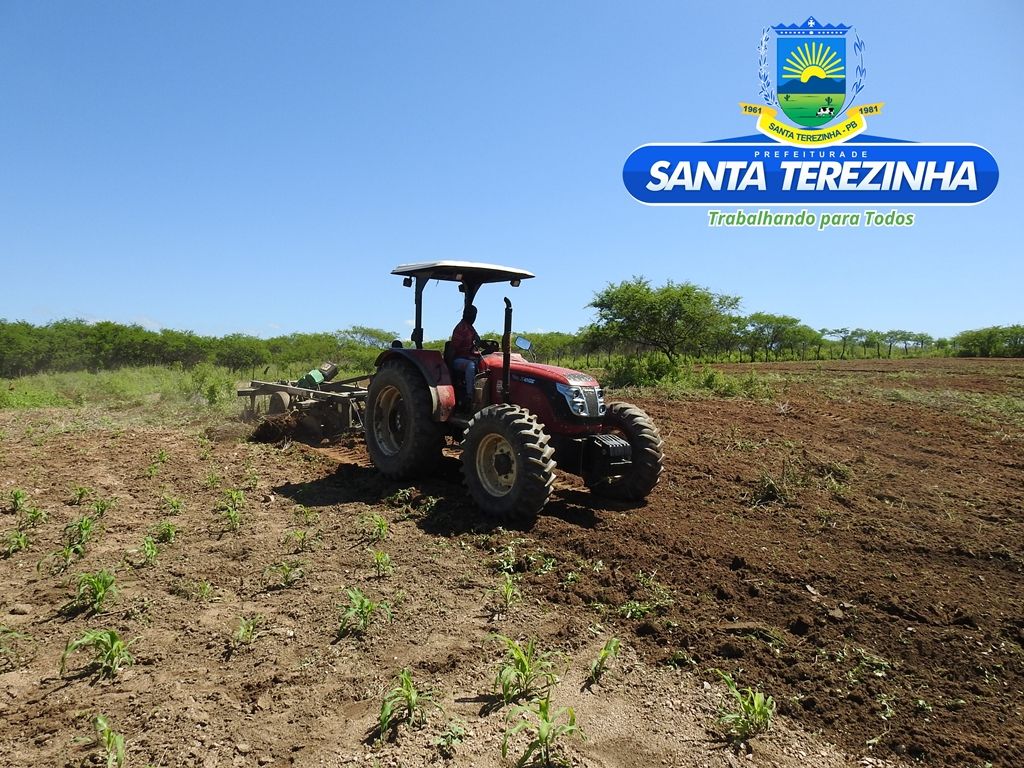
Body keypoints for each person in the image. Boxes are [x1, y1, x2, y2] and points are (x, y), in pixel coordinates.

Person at [450, 305, 481, 405]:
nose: (473, 317)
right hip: (458, 360)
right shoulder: (461, 328)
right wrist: (448, 367)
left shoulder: (471, 328)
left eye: (474, 315)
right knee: (470, 366)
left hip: (469, 357)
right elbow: (453, 348)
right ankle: (470, 395)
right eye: (471, 314)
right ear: (465, 314)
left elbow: (476, 343)